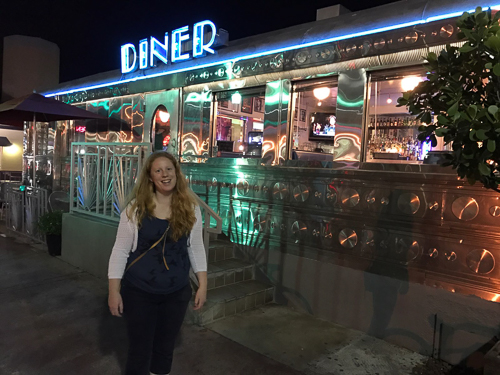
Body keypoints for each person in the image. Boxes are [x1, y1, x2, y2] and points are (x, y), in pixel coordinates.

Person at [108, 151, 207, 375]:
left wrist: (202, 283)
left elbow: (195, 246)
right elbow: (120, 251)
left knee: (165, 347)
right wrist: (113, 290)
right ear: (150, 177)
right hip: (140, 291)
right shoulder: (135, 209)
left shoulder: (191, 208)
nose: (165, 174)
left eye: (169, 169)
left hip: (176, 291)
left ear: (176, 173)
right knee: (139, 349)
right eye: (158, 170)